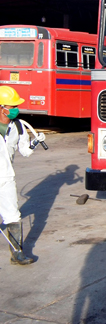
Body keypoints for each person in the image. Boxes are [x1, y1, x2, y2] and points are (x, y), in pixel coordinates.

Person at [0, 86, 37, 265]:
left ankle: (17, 254)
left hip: (7, 177)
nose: (16, 109)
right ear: (1, 108)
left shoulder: (19, 126)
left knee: (13, 215)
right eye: (12, 106)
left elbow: (25, 151)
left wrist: (35, 142)